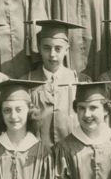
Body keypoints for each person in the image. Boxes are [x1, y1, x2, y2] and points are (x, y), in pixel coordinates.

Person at [26, 19, 89, 150]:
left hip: (72, 153)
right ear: (38, 48)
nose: (52, 54)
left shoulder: (80, 81)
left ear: (67, 49)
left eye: (58, 49)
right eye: (46, 48)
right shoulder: (27, 82)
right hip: (37, 155)